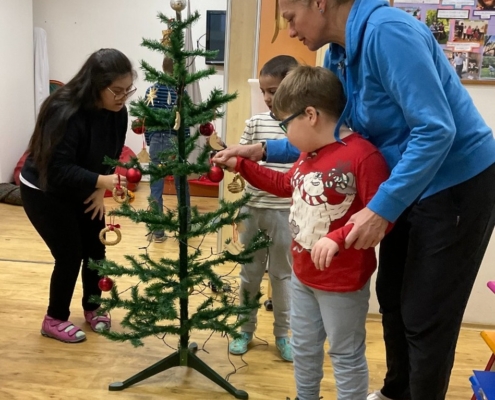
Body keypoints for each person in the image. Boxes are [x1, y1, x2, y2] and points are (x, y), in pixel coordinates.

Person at [213, 1, 495, 399]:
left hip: (454, 184)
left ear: (320, 3)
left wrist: (380, 208)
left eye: (291, 18)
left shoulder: (387, 33)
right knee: (394, 299)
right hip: (408, 182)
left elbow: (435, 131)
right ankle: (396, 391)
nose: (291, 32)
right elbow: (327, 135)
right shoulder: (338, 54)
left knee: (425, 316)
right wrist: (261, 150)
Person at [217, 65, 390, 400]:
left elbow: (382, 216)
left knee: (345, 354)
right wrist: (242, 164)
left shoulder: (362, 156)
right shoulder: (308, 155)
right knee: (306, 349)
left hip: (342, 282)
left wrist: (337, 239)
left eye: (285, 124)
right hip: (303, 276)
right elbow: (285, 185)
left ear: (310, 115)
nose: (283, 134)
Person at [20, 48, 136, 343]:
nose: (123, 97)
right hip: (45, 190)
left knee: (96, 250)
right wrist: (102, 181)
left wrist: (99, 190)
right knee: (70, 254)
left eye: (128, 89)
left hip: (84, 185)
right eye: (117, 90)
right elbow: (57, 170)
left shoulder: (117, 112)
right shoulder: (63, 110)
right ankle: (54, 319)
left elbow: (111, 154)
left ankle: (93, 307)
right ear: (97, 86)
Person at [228, 55, 298, 362]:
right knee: (250, 274)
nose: (269, 98)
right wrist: (229, 162)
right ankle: (245, 329)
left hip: (286, 213)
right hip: (253, 209)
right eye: (265, 91)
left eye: (275, 91)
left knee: (283, 277)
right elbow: (242, 160)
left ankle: (284, 335)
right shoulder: (255, 123)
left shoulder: (302, 125)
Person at [144, 57, 191, 242]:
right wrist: (184, 144)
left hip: (156, 139)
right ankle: (185, 228)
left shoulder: (151, 91)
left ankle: (157, 231)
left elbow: (146, 121)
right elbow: (184, 123)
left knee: (155, 187)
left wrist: (150, 140)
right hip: (174, 140)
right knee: (181, 185)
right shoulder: (181, 93)